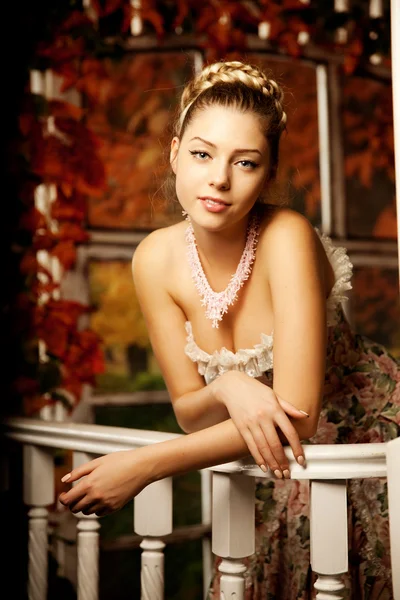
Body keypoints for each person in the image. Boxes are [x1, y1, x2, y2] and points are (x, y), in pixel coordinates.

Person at [59, 60, 400, 599]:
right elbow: (191, 412)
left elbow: (300, 415)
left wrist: (145, 466)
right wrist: (228, 387)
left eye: (245, 162)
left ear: (268, 174)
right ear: (174, 153)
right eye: (201, 153)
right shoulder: (153, 259)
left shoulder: (286, 234)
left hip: (366, 441)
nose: (218, 178)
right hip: (268, 461)